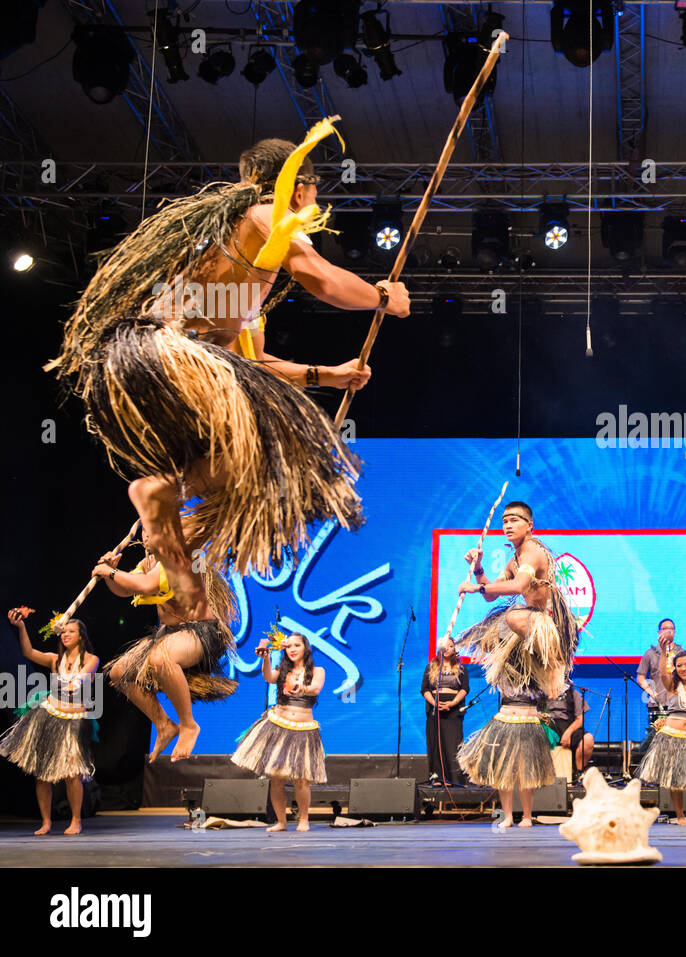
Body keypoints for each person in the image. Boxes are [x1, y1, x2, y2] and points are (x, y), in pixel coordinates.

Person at [45, 121, 411, 604]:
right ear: (299, 188)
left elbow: (254, 365)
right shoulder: (265, 216)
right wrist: (384, 296)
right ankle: (161, 499)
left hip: (142, 363)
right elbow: (319, 278)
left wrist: (329, 374)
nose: (315, 201)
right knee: (283, 462)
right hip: (171, 354)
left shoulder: (229, 257)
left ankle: (168, 538)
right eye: (315, 190)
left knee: (248, 478)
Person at [97, 525, 237, 761]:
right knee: (119, 673)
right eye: (145, 531)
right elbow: (125, 589)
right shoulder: (148, 562)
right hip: (169, 633)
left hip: (201, 631)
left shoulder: (183, 556)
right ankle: (163, 725)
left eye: (154, 529)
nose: (147, 536)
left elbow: (145, 586)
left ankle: (188, 725)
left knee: (161, 657)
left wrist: (109, 572)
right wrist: (110, 573)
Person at [457, 501, 579, 699]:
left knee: (513, 617)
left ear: (529, 525)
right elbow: (490, 595)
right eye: (505, 521)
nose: (508, 526)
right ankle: (534, 673)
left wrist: (475, 587)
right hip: (532, 622)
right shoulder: (515, 560)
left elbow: (518, 586)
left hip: (551, 625)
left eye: (514, 520)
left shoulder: (532, 550)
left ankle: (556, 663)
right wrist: (478, 567)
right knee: (486, 638)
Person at [1, 610, 98, 835]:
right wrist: (21, 627)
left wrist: (73, 684)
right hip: (50, 715)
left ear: (81, 636)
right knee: (43, 773)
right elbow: (28, 652)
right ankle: (46, 822)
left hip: (74, 719)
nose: (65, 635)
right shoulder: (55, 660)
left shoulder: (91, 660)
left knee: (72, 773)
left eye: (71, 632)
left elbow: (83, 676)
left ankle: (76, 821)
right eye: (63, 632)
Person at [230, 632, 327, 832]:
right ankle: (281, 822)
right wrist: (265, 656)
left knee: (301, 779)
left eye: (296, 645)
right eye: (288, 646)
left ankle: (303, 820)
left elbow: (315, 689)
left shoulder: (317, 670)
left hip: (303, 729)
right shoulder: (281, 671)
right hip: (278, 726)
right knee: (276, 778)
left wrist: (298, 687)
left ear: (305, 648)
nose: (292, 649)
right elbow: (267, 676)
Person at [458, 684, 555, 828]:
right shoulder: (504, 672)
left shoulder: (536, 675)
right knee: (504, 771)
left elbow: (552, 691)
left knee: (525, 771)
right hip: (505, 721)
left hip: (528, 724)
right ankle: (508, 817)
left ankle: (527, 816)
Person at [638, 651, 686, 825]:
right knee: (675, 779)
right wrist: (664, 653)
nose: (683, 668)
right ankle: (679, 816)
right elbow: (663, 673)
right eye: (679, 665)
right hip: (671, 736)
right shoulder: (672, 685)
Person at [422, 638, 469, 785]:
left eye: (451, 646)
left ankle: (453, 779)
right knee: (436, 742)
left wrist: (453, 703)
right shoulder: (430, 667)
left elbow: (465, 688)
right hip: (435, 709)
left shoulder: (461, 667)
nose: (448, 648)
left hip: (453, 710)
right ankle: (437, 777)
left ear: (455, 649)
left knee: (453, 743)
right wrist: (435, 703)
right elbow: (424, 689)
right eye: (445, 646)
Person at [634, 618, 681, 755]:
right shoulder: (650, 654)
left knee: (676, 741)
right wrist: (650, 691)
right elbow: (640, 676)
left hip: (677, 703)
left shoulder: (681, 653)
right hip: (658, 704)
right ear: (659, 632)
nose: (668, 631)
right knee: (657, 741)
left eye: (671, 629)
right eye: (665, 628)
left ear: (674, 632)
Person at [545, 679, 594, 779]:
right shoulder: (539, 694)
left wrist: (568, 733)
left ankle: (578, 773)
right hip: (547, 727)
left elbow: (580, 718)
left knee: (588, 739)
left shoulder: (573, 693)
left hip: (568, 728)